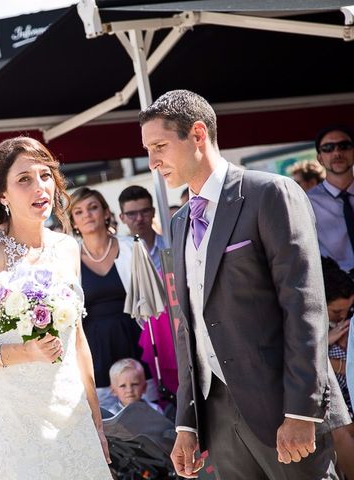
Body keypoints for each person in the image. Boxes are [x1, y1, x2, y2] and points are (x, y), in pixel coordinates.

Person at [139, 89, 346, 479]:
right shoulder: (179, 222)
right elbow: (189, 325)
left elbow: (304, 307)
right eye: (148, 150)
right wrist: (187, 423)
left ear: (198, 135)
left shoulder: (269, 193)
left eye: (160, 146)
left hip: (283, 407)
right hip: (217, 414)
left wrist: (301, 411)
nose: (153, 162)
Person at [0, 136, 111, 478]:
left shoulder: (68, 247)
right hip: (16, 419)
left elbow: (78, 339)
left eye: (45, 175)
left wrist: (95, 417)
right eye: (24, 179)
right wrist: (25, 352)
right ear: (2, 196)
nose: (40, 187)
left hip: (71, 412)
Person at [69, 186, 145, 411]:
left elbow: (150, 298)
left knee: (145, 409)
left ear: (105, 213)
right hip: (95, 349)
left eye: (93, 208)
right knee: (105, 417)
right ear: (73, 222)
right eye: (79, 212)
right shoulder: (68, 260)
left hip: (135, 338)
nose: (87, 215)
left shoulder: (131, 248)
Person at [321, 256, 354, 479]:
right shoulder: (314, 333)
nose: (343, 316)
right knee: (340, 429)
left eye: (349, 309)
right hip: (333, 409)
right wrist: (323, 344)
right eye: (336, 312)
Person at [307, 125, 354, 272]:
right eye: (328, 148)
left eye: (344, 146)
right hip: (339, 288)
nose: (337, 152)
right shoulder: (307, 203)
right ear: (320, 158)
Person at [117, 185, 166, 272]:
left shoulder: (170, 245)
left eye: (145, 211)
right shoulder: (119, 254)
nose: (139, 218)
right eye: (132, 214)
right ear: (122, 218)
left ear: (153, 212)